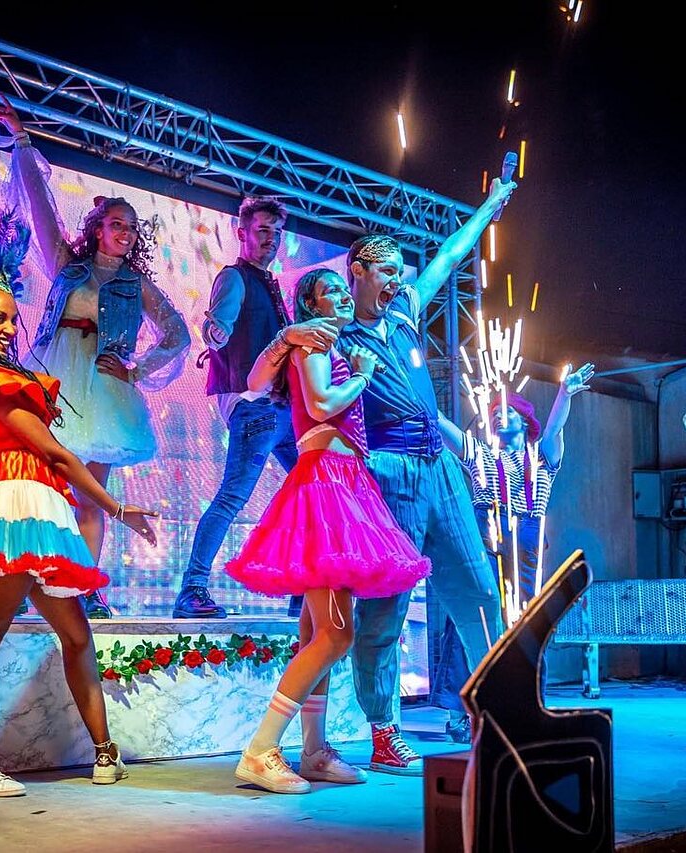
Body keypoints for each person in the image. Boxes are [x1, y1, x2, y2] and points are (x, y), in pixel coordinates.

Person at [249, 175, 518, 775]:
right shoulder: (332, 333)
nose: (397, 280)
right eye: (387, 270)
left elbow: (448, 257)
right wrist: (288, 333)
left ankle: (497, 711)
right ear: (358, 272)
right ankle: (384, 729)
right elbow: (269, 377)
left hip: (441, 470)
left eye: (400, 270)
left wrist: (490, 206)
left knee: (479, 590)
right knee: (385, 610)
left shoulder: (403, 315)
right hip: (387, 472)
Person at [0, 175, 158, 796]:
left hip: (42, 506)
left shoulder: (4, 367)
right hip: (14, 501)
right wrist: (118, 508)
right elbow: (55, 452)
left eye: (11, 318)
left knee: (77, 634)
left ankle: (105, 751)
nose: (7, 328)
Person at [226, 269, 430, 793]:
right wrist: (361, 376)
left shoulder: (326, 344)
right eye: (329, 291)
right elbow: (318, 404)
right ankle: (260, 749)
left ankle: (314, 751)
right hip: (326, 486)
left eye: (342, 289)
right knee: (337, 635)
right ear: (310, 304)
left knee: (317, 635)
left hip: (345, 481)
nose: (341, 295)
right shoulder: (313, 342)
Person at [0, 98, 190, 613]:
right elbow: (41, 208)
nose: (126, 232)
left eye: (132, 227)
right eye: (117, 223)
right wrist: (22, 140)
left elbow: (178, 333)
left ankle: (86, 589)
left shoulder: (136, 284)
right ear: (98, 227)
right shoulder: (68, 265)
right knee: (41, 486)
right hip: (56, 381)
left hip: (104, 392)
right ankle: (29, 581)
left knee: (91, 494)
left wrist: (137, 369)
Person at [171, 196, 339, 618]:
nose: (271, 240)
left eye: (276, 233)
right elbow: (219, 330)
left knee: (315, 491)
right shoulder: (235, 277)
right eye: (263, 231)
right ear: (241, 233)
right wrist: (214, 332)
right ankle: (192, 589)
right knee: (234, 495)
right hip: (256, 408)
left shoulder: (268, 283)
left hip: (281, 409)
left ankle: (304, 588)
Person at [433, 364, 594, 742]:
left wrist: (564, 393)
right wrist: (416, 388)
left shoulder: (542, 457)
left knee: (524, 622)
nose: (497, 417)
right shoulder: (480, 454)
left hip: (526, 538)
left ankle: (523, 702)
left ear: (524, 421)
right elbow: (442, 425)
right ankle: (461, 710)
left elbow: (555, 429)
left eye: (506, 412)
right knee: (475, 616)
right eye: (493, 414)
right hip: (486, 534)